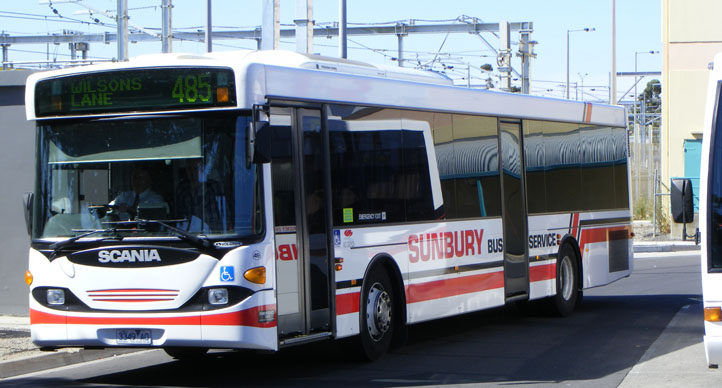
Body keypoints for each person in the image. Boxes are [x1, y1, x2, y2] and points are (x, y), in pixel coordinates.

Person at [175, 158, 226, 232]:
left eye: (195, 168)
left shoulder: (214, 188)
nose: (192, 173)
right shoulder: (181, 190)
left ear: (202, 169)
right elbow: (179, 218)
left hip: (213, 236)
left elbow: (224, 217)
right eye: (189, 169)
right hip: (187, 235)